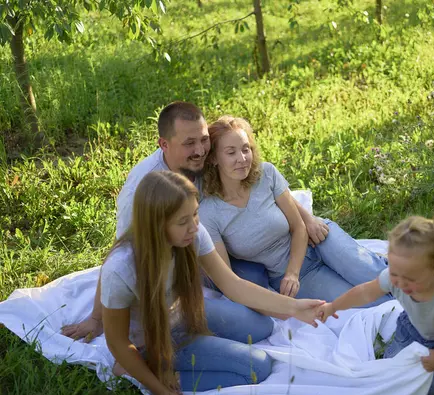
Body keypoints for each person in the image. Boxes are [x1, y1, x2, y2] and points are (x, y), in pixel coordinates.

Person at [62, 102, 329, 344]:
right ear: (164, 145)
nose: (200, 150)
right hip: (180, 277)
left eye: (203, 140)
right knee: (256, 323)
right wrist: (97, 319)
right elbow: (120, 253)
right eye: (190, 143)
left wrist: (306, 218)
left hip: (214, 248)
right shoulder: (142, 190)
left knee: (254, 279)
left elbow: (263, 182)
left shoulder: (203, 162)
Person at [101, 170, 324, 395]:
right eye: (182, 221)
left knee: (263, 326)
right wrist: (160, 390)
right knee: (257, 368)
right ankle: (143, 370)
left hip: (183, 315)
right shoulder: (121, 269)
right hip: (152, 340)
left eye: (195, 214)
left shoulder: (192, 235)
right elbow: (117, 341)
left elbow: (233, 284)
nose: (194, 226)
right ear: (157, 224)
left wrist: (294, 308)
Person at [199, 116, 392, 304]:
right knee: (368, 301)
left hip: (319, 239)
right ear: (214, 158)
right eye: (231, 152)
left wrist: (293, 272)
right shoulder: (209, 212)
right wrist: (291, 275)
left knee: (381, 278)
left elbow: (299, 226)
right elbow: (227, 276)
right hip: (294, 275)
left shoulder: (265, 174)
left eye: (245, 149)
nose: (242, 159)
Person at [318, 205, 434, 395]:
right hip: (409, 329)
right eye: (394, 273)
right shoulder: (395, 277)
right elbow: (364, 293)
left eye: (411, 278)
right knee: (392, 369)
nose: (400, 283)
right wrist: (333, 306)